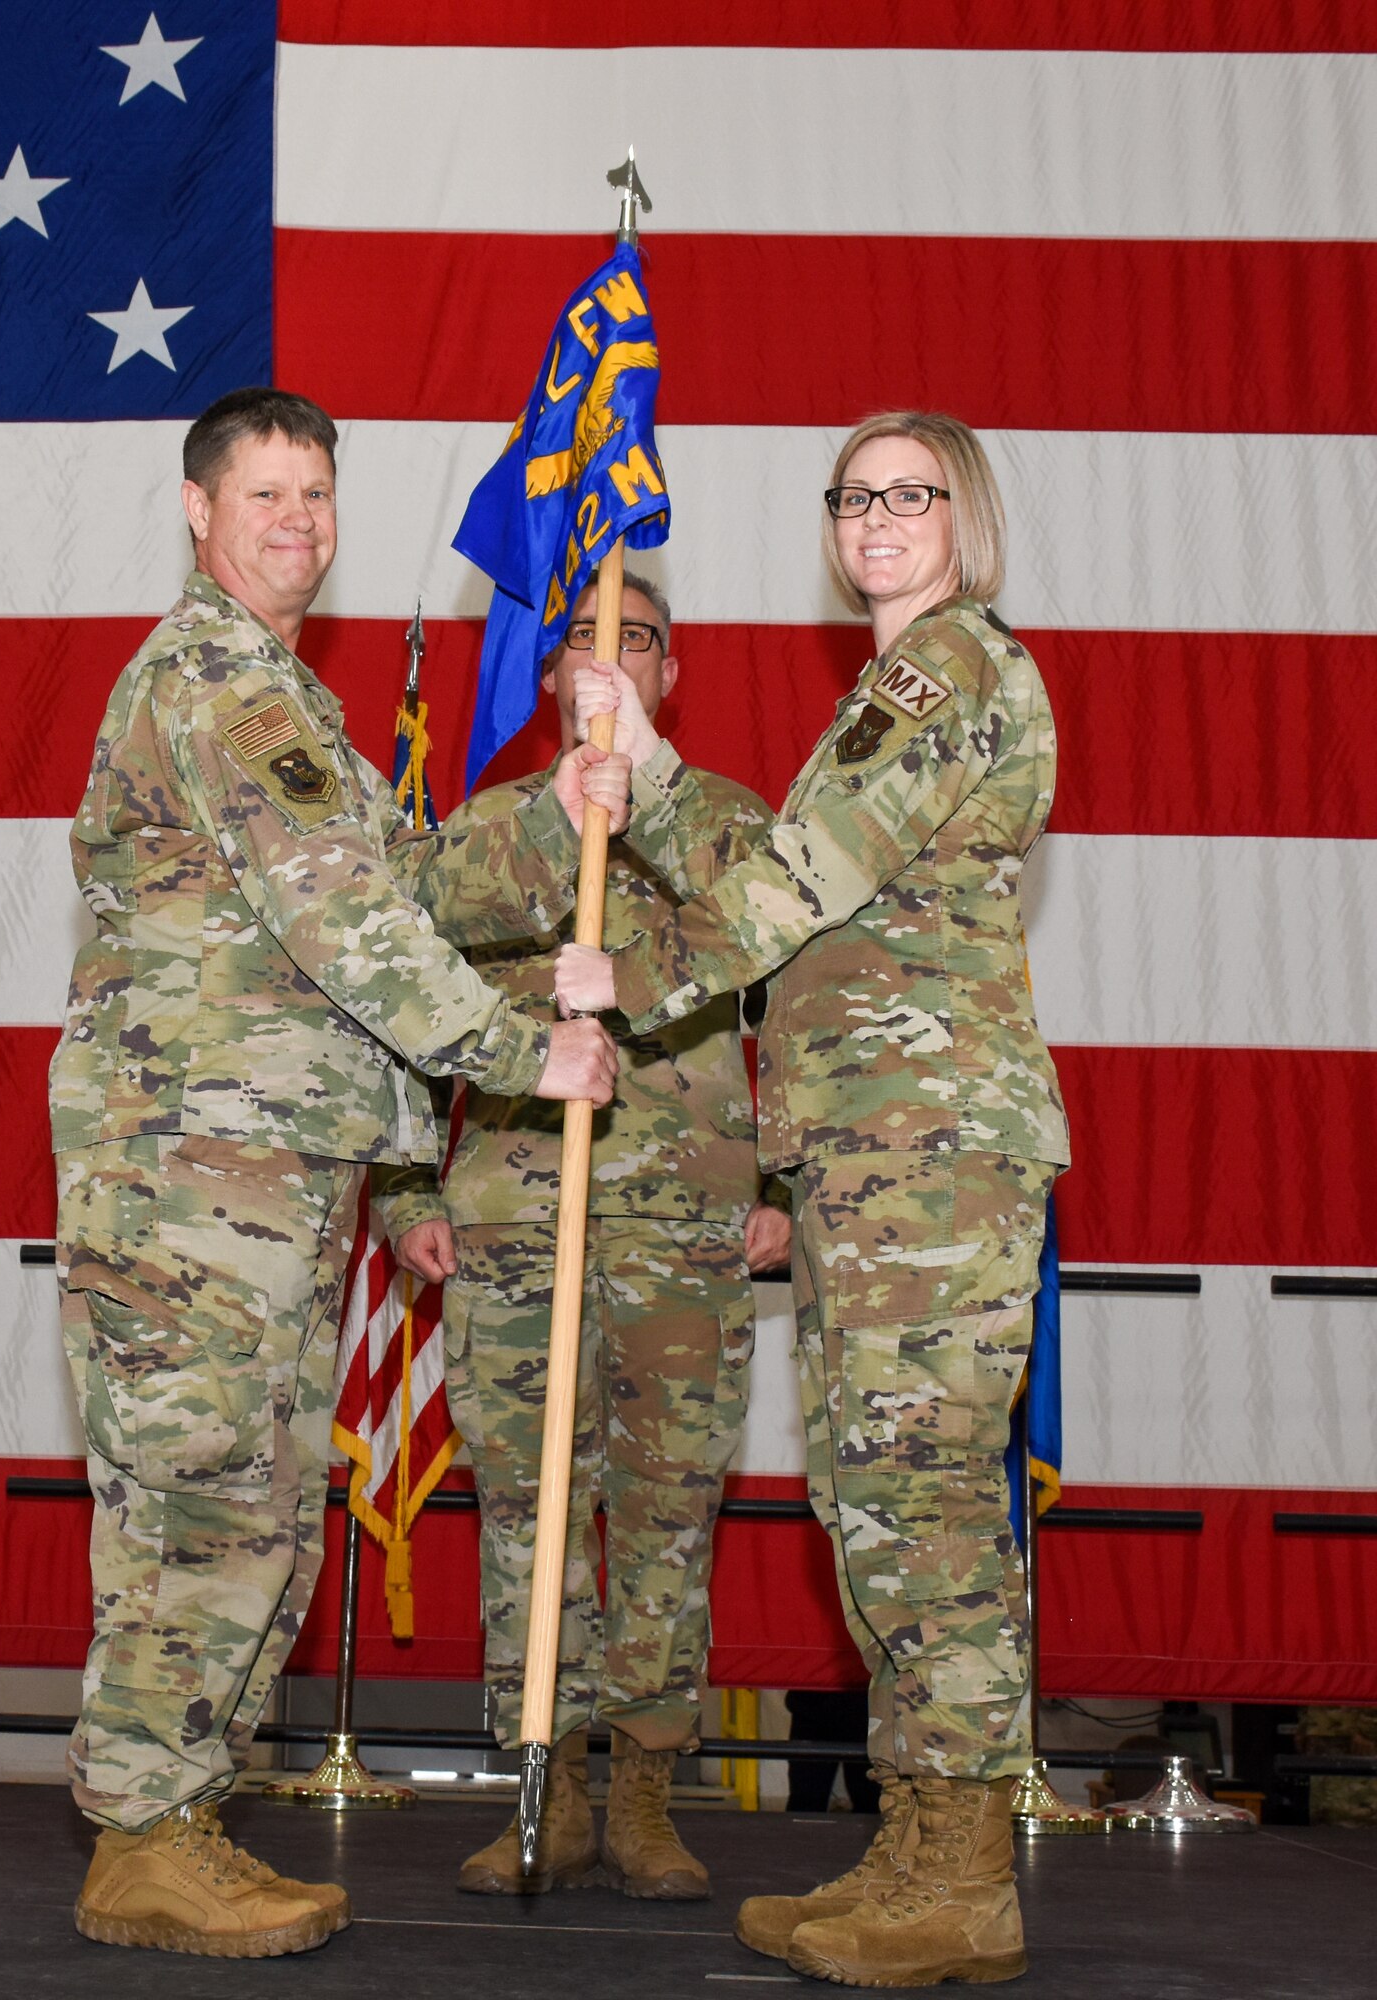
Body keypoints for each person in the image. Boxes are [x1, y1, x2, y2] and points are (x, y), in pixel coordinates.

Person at [49, 386, 624, 1960]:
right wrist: (527, 1051)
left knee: (258, 1503)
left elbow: (406, 871)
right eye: (266, 496)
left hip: (266, 1172)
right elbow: (348, 928)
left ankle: (184, 1818)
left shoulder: (281, 699)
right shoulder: (217, 686)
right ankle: (144, 1837)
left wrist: (550, 818)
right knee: (200, 1503)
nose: (296, 522)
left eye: (317, 495)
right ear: (197, 508)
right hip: (194, 1176)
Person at [555, 413, 1070, 1988]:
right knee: (875, 1506)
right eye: (855, 496)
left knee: (916, 1507)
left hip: (929, 1155)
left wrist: (622, 977)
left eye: (911, 493)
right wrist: (645, 767)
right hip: (872, 1155)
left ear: (965, 516)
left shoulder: (952, 669)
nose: (878, 518)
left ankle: (965, 1871)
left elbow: (794, 883)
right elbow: (796, 852)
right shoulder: (890, 691)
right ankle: (922, 1845)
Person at [375, 572, 791, 1900]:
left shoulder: (728, 828)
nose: (610, 666)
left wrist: (786, 1182)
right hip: (514, 1221)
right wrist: (404, 1191)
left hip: (685, 1229)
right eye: (585, 649)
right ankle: (539, 1786)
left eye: (639, 643)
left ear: (670, 674)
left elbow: (803, 1017)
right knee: (525, 1514)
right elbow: (396, 1003)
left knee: (666, 1510)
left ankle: (650, 1793)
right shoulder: (493, 832)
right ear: (555, 680)